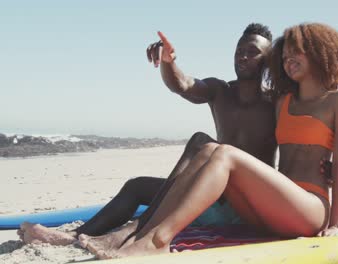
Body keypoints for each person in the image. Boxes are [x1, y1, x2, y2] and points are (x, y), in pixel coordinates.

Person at [92, 22, 338, 259]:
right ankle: (145, 233)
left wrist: (335, 224)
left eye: (296, 52)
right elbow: (185, 85)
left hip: (310, 208)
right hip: (270, 208)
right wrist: (169, 63)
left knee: (223, 152)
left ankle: (157, 239)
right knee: (205, 146)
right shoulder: (282, 101)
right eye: (284, 57)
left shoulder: (336, 100)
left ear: (318, 52)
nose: (288, 60)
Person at [17, 23, 278, 247]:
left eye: (252, 52)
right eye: (239, 51)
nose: (243, 57)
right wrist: (169, 62)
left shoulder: (276, 103)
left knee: (202, 141)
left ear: (267, 61)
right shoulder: (220, 91)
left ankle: (137, 229)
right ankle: (74, 236)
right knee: (136, 186)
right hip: (212, 199)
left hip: (248, 207)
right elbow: (184, 84)